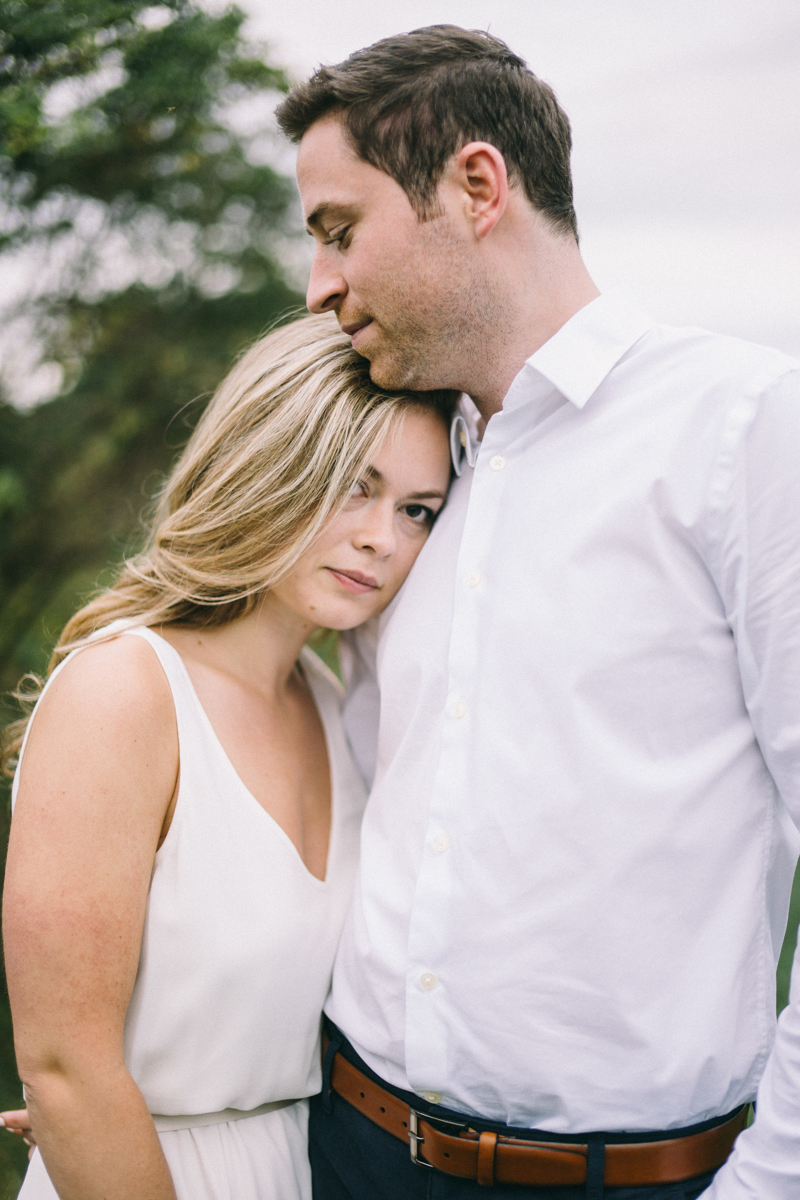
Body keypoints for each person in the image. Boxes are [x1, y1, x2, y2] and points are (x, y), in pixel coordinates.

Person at [273, 24, 800, 1200]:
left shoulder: (745, 430)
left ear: (474, 187)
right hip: (348, 1147)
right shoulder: (397, 480)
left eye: (337, 230)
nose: (320, 285)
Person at [0, 311, 454, 1200]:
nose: (383, 539)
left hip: (304, 1168)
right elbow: (64, 1072)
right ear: (268, 471)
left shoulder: (333, 704)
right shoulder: (125, 691)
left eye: (417, 511)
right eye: (351, 487)